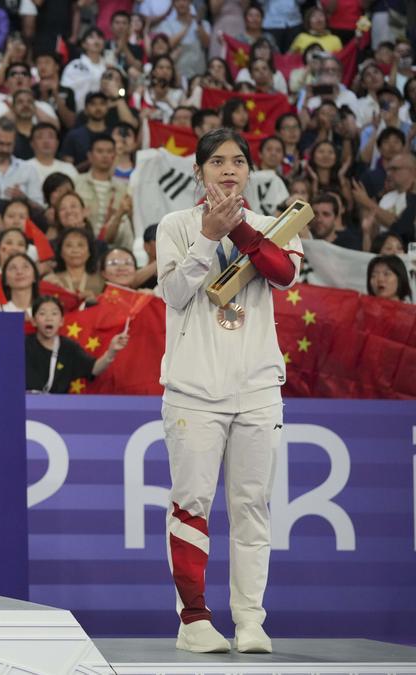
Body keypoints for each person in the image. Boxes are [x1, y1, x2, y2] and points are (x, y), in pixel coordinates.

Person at [156, 128, 303, 655]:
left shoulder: (275, 225)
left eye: (237, 161)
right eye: (216, 161)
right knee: (191, 503)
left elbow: (282, 274)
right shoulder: (174, 225)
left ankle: (250, 621)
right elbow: (173, 292)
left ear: (249, 171)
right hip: (193, 391)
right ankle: (194, 620)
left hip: (259, 388)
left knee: (251, 506)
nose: (227, 170)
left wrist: (239, 230)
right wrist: (205, 235)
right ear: (199, 172)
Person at [24, 294, 128, 392]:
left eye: (54, 313)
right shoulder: (21, 345)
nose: (49, 318)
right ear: (34, 321)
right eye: (42, 313)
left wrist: (111, 351)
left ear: (61, 321)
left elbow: (94, 369)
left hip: (57, 406)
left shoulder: (68, 347)